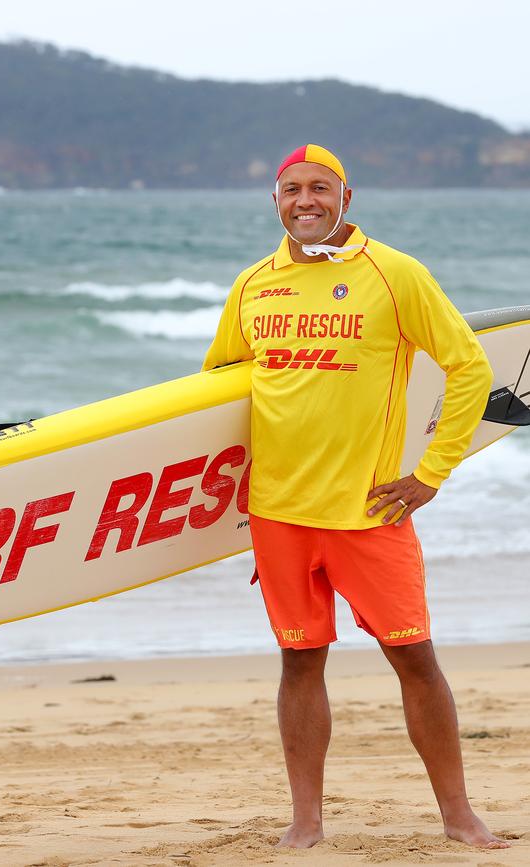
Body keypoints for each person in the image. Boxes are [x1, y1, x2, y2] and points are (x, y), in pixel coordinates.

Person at [202, 144, 510, 851]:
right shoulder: (253, 284)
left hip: (368, 511)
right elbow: (218, 388)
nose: (303, 200)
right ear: (274, 201)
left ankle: (459, 814)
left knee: (414, 657)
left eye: (319, 188)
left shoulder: (393, 274)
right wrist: (225, 511)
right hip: (278, 513)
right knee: (299, 659)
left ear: (348, 197)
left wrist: (431, 472)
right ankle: (306, 819)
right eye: (289, 190)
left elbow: (467, 367)